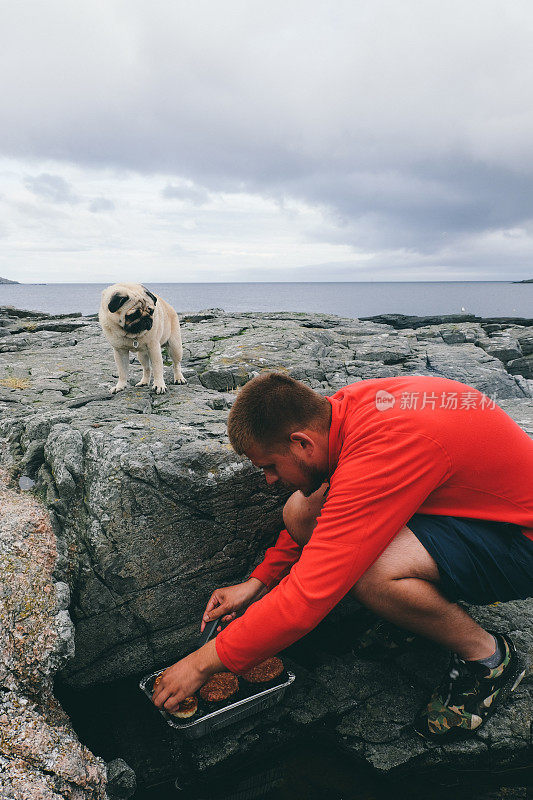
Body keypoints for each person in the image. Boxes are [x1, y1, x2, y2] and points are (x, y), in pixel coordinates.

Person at [152, 372, 533, 739]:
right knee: (300, 511)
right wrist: (258, 581)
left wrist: (203, 663)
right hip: (472, 508)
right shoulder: (343, 411)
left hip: (520, 539)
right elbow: (327, 514)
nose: (268, 479)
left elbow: (309, 597)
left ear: (302, 443)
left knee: (368, 573)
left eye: (269, 466)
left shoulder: (385, 448)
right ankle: (416, 614)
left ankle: (488, 660)